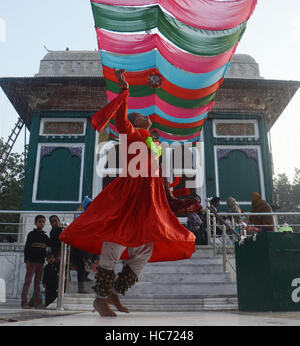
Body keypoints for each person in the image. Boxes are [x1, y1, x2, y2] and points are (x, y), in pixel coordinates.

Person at [59, 68, 195, 317]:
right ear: (135, 123)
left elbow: (158, 177)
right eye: (142, 116)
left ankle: (114, 292)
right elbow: (121, 120)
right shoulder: (132, 135)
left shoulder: (151, 145)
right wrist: (125, 90)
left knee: (145, 248)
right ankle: (100, 299)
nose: (147, 117)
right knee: (115, 240)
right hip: (129, 196)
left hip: (148, 202)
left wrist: (172, 199)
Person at [21, 215, 51, 309]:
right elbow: (27, 249)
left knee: (37, 283)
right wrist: (27, 261)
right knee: (27, 282)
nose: (41, 223)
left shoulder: (45, 237)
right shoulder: (31, 234)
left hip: (41, 263)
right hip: (32, 262)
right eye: (39, 221)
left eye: (43, 222)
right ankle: (23, 303)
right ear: (35, 223)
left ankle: (37, 304)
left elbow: (50, 247)